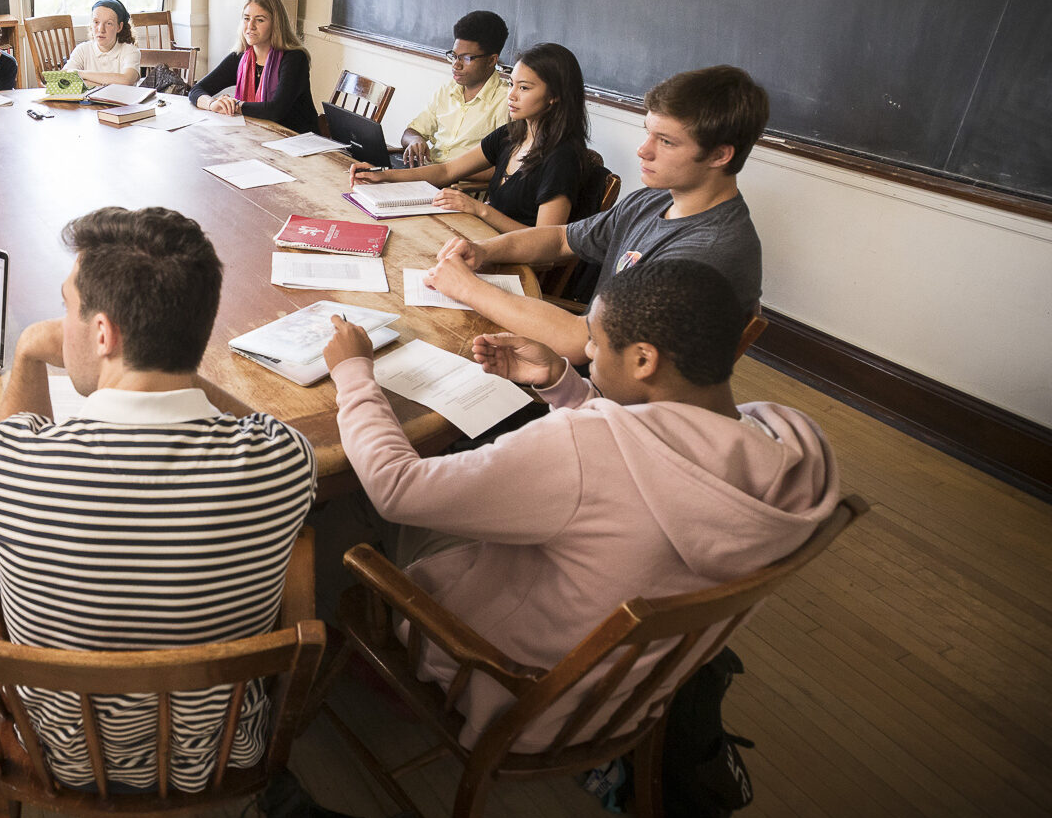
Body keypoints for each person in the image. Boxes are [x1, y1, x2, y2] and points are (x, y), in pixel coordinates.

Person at [322, 259, 839, 752]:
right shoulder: (795, 446)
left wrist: (353, 373)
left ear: (643, 360)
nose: (587, 348)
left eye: (595, 340)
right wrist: (566, 385)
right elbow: (659, 453)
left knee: (356, 509)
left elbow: (397, 488)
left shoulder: (584, 447)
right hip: (616, 693)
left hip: (505, 683)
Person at [0, 207, 316, 792]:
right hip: (224, 754)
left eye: (67, 306)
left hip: (67, 761)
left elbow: (9, 434)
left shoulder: (9, 468)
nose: (62, 321)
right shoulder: (282, 462)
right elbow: (259, 422)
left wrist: (30, 348)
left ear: (102, 333)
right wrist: (175, 363)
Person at [426, 64, 769, 360]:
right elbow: (561, 238)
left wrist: (468, 288)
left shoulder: (706, 254)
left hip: (615, 405)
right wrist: (485, 251)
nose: (643, 150)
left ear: (720, 155)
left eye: (666, 142)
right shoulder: (654, 200)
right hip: (578, 369)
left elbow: (583, 342)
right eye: (648, 133)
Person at [351, 42, 589, 234]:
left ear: (554, 96)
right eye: (511, 84)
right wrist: (382, 175)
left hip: (514, 264)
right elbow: (446, 171)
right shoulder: (511, 135)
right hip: (481, 241)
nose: (512, 95)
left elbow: (546, 241)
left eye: (524, 88)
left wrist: (480, 210)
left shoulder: (562, 157)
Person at [187, 0, 316, 135]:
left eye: (260, 20)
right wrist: (213, 104)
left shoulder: (295, 59)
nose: (250, 26)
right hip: (261, 137)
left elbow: (275, 111)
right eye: (246, 18)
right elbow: (195, 90)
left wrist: (235, 106)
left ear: (276, 24)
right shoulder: (240, 57)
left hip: (298, 142)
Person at [397, 10, 513, 169]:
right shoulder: (447, 91)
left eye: (466, 58)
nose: (456, 65)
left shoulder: (506, 102)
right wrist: (416, 140)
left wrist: (442, 174)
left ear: (492, 60)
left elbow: (505, 167)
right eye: (454, 55)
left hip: (458, 187)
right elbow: (410, 132)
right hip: (427, 174)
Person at [63, 0, 141, 86]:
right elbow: (64, 78)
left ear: (119, 27)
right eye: (96, 22)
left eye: (109, 23)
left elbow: (126, 80)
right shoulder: (82, 50)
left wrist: (80, 74)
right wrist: (105, 84)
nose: (101, 29)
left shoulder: (130, 51)